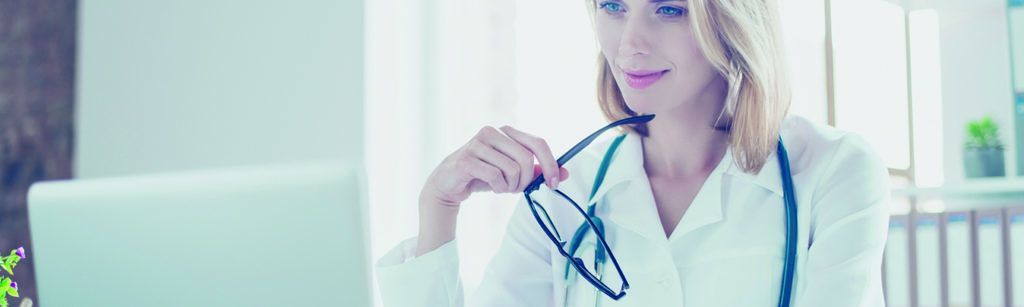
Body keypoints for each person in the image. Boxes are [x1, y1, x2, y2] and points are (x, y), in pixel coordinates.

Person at [376, 0, 890, 306]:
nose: (630, 44)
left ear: (732, 18)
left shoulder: (834, 173)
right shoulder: (563, 195)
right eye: (613, 6)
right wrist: (437, 210)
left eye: (668, 9)